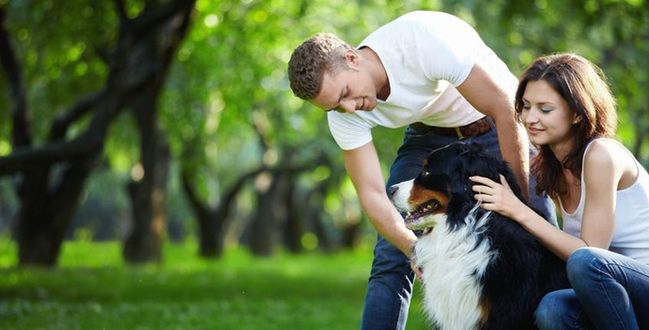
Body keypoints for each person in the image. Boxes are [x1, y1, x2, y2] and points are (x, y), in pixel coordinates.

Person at [287, 11, 556, 329]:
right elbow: (373, 194)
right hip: (430, 138)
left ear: (352, 58)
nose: (348, 108)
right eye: (335, 106)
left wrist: (517, 205)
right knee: (390, 253)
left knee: (537, 229)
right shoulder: (344, 114)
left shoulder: (422, 42)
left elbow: (503, 109)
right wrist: (414, 248)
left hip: (496, 124)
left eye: (345, 94)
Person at [470, 53, 649, 329]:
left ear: (577, 113)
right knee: (553, 309)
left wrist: (518, 210)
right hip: (612, 293)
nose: (530, 118)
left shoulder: (601, 155)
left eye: (545, 109)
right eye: (526, 106)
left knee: (584, 262)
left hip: (641, 282)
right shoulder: (550, 166)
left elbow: (591, 253)